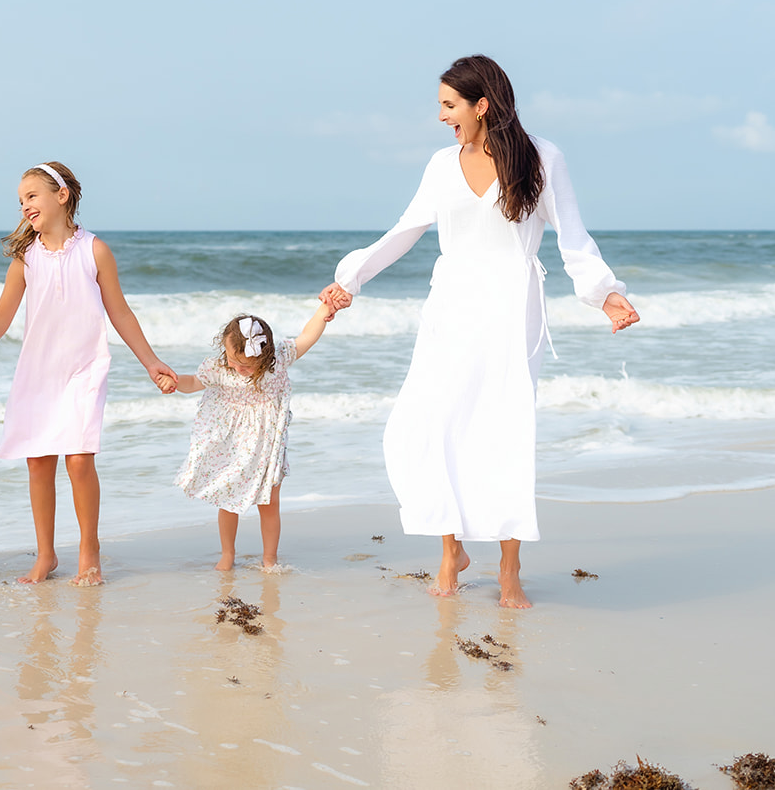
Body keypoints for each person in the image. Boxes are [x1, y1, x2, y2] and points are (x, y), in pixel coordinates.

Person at [320, 55, 639, 608]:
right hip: (449, 307)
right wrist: (351, 280)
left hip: (511, 311)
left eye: (449, 105)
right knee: (427, 426)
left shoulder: (542, 157)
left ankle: (509, 568)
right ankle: (451, 550)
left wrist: (604, 294)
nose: (441, 116)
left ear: (482, 104)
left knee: (502, 434)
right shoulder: (441, 165)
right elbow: (405, 230)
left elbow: (574, 236)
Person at [0, 161, 176, 585]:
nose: (24, 206)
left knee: (80, 460)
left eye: (31, 196)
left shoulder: (94, 250)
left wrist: (151, 361)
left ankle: (90, 549)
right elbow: (0, 318)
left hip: (84, 368)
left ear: (61, 196)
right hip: (38, 370)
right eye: (20, 201)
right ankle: (46, 555)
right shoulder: (26, 259)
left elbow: (119, 311)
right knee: (38, 462)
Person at [172, 306, 336, 571]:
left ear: (266, 356)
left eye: (245, 365)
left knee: (270, 502)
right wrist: (173, 382)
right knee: (228, 499)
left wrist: (323, 312)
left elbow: (307, 336)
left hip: (268, 445)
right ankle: (227, 554)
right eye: (232, 360)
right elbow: (192, 382)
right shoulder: (220, 367)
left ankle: (269, 558)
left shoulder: (280, 359)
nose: (237, 367)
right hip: (233, 445)